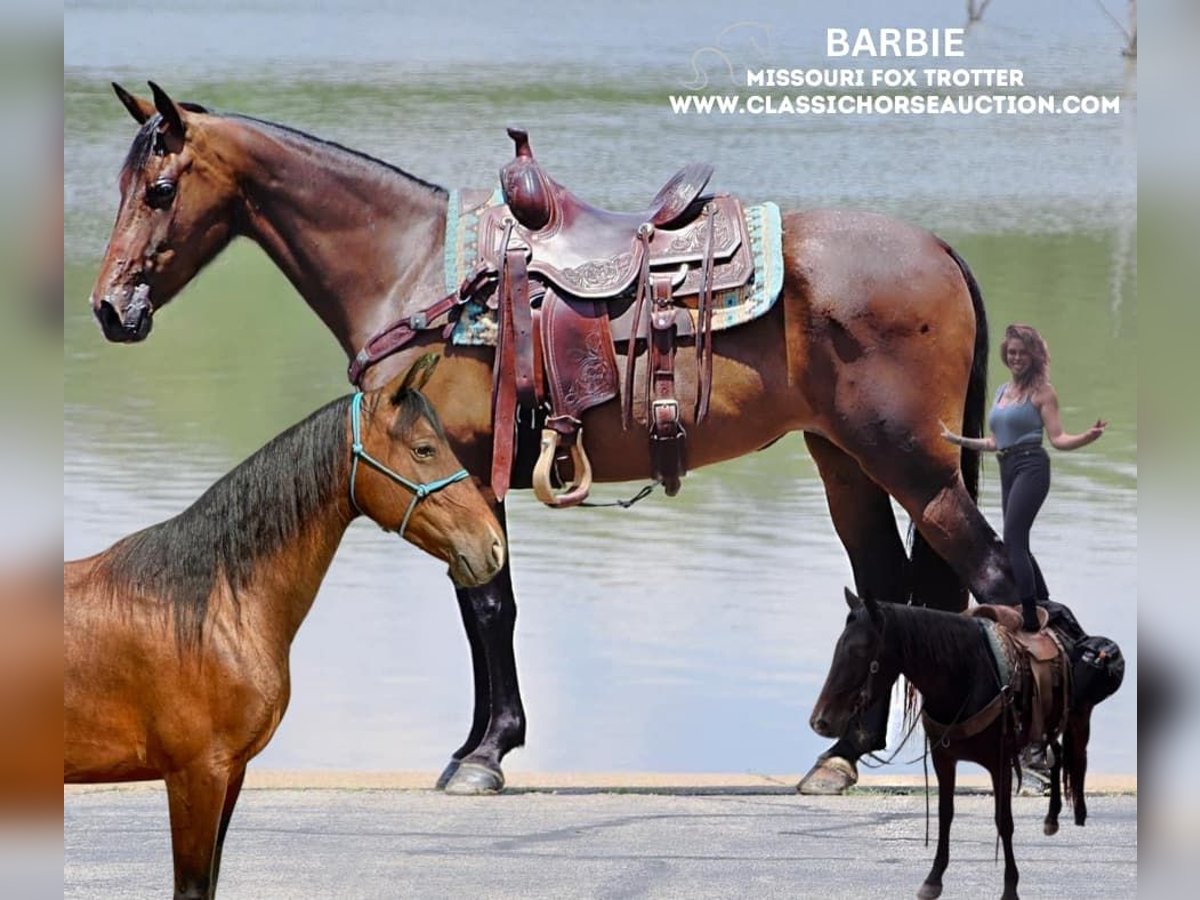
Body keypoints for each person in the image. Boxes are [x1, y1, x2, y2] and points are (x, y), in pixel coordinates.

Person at [941, 323, 1107, 632]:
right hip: (1008, 466)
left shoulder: (1042, 392)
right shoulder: (1004, 391)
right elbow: (994, 442)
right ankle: (1044, 601)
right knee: (1019, 543)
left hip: (1032, 466)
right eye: (1012, 352)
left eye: (1022, 353)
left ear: (1034, 356)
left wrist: (1088, 437)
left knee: (1014, 540)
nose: (1016, 358)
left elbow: (1058, 438)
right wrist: (956, 439)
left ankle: (1030, 615)